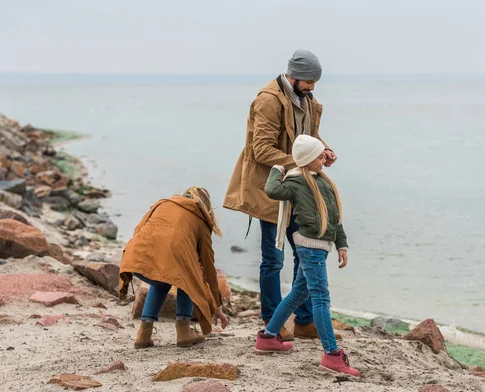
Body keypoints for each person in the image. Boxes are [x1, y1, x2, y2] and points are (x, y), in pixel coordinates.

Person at [223, 49, 340, 341]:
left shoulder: (308, 100)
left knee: (305, 253)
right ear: (295, 74)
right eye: (310, 80)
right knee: (273, 260)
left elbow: (307, 140)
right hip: (272, 190)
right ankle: (272, 322)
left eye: (316, 81)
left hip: (300, 189)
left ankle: (304, 321)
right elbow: (261, 150)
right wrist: (302, 162)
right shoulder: (268, 100)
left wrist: (323, 149)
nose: (314, 86)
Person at [254, 135, 360, 377]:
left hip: (321, 246)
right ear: (310, 158)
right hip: (309, 247)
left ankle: (268, 337)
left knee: (299, 293)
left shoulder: (324, 182)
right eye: (321, 155)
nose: (325, 159)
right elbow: (272, 190)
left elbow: (334, 218)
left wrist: (342, 245)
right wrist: (278, 168)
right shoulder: (296, 182)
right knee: (321, 298)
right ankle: (332, 354)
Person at [119, 186, 228, 349]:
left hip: (136, 259)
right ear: (206, 206)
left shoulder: (161, 204)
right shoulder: (200, 218)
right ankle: (183, 330)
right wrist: (217, 306)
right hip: (162, 264)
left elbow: (138, 231)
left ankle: (144, 333)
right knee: (189, 275)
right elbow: (208, 267)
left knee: (161, 279)